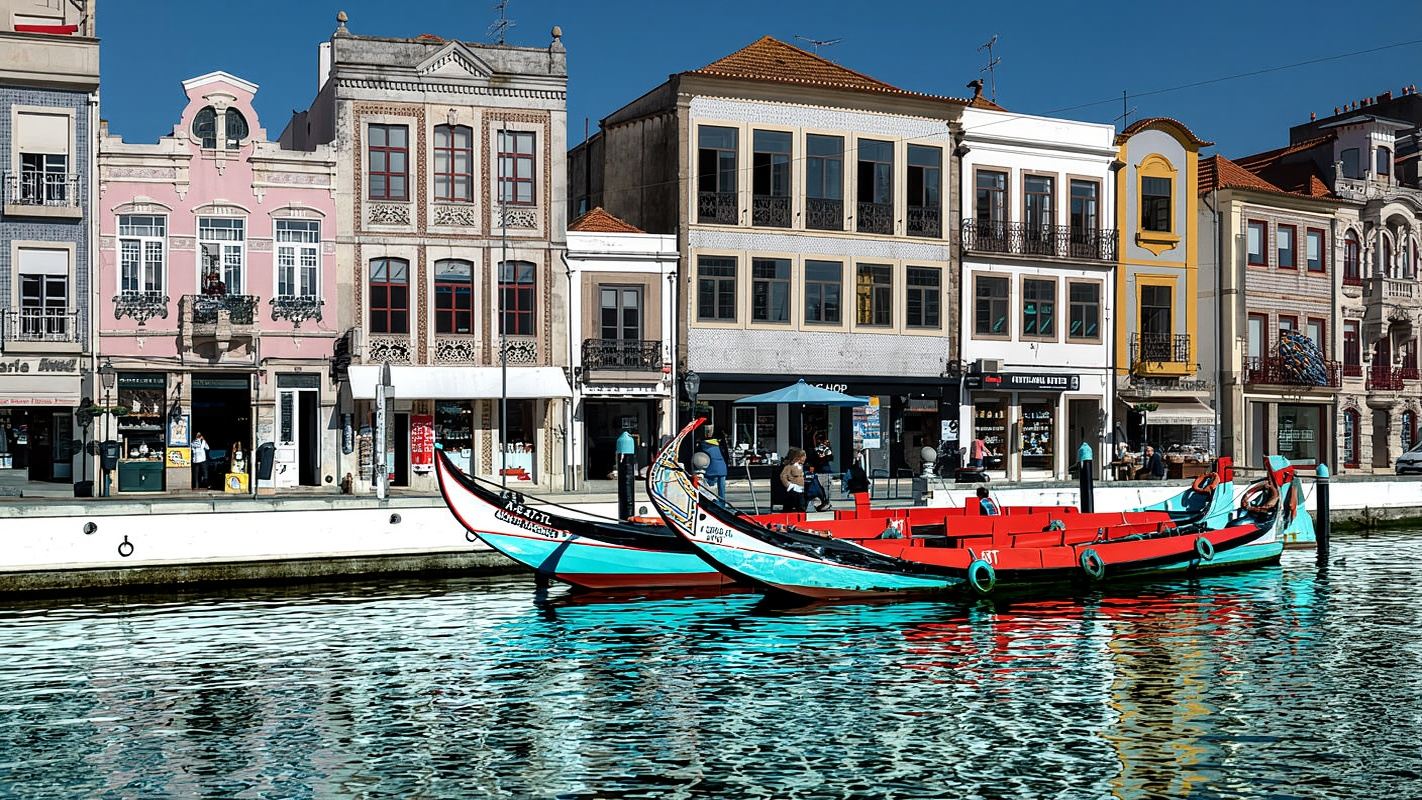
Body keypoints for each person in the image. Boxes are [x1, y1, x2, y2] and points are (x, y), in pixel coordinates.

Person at [697, 431, 729, 500]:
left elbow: (700, 457)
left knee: (705, 485)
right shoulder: (720, 445)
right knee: (721, 490)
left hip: (711, 468)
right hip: (722, 468)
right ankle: (722, 504)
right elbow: (726, 456)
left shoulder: (703, 445)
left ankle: (708, 500)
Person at [779, 447, 807, 512]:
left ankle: (801, 515)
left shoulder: (801, 466)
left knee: (801, 505)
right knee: (790, 505)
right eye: (803, 456)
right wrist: (789, 485)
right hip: (794, 489)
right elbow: (783, 476)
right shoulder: (789, 466)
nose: (805, 458)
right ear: (797, 457)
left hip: (801, 489)